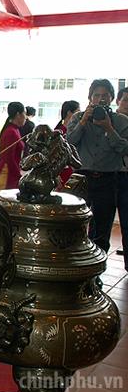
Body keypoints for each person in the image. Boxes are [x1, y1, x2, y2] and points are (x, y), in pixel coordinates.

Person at [67, 79, 128, 253]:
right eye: (96, 95)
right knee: (73, 223)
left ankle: (98, 264)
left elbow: (125, 149)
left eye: (105, 95)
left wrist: (109, 128)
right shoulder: (78, 117)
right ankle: (73, 260)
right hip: (81, 177)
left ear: (111, 98)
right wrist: (83, 122)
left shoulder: (121, 121)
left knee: (102, 228)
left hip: (108, 179)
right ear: (90, 98)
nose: (100, 99)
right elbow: (69, 143)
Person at [0, 102, 26, 197]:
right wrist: (18, 175)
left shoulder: (14, 130)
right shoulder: (11, 132)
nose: (25, 117)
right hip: (6, 172)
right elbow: (9, 158)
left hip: (10, 170)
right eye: (24, 113)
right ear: (18, 115)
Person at [115, 88, 128, 263]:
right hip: (107, 176)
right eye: (125, 100)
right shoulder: (107, 119)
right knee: (98, 223)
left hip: (126, 177)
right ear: (117, 101)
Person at [55, 100, 80, 186]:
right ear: (69, 113)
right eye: (78, 111)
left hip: (74, 169)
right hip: (63, 170)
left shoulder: (76, 130)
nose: (79, 114)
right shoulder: (60, 131)